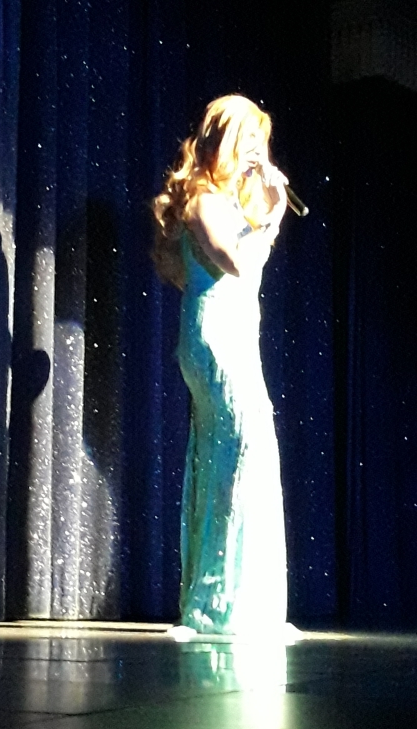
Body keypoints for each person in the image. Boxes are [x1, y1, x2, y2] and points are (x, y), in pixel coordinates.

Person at [153, 94, 292, 638]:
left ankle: (243, 605)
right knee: (235, 456)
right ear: (226, 140)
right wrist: (274, 215)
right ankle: (210, 605)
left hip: (238, 340)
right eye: (249, 140)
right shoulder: (202, 201)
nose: (257, 151)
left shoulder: (232, 205)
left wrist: (268, 204)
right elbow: (235, 260)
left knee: (239, 458)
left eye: (262, 142)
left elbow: (248, 254)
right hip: (214, 341)